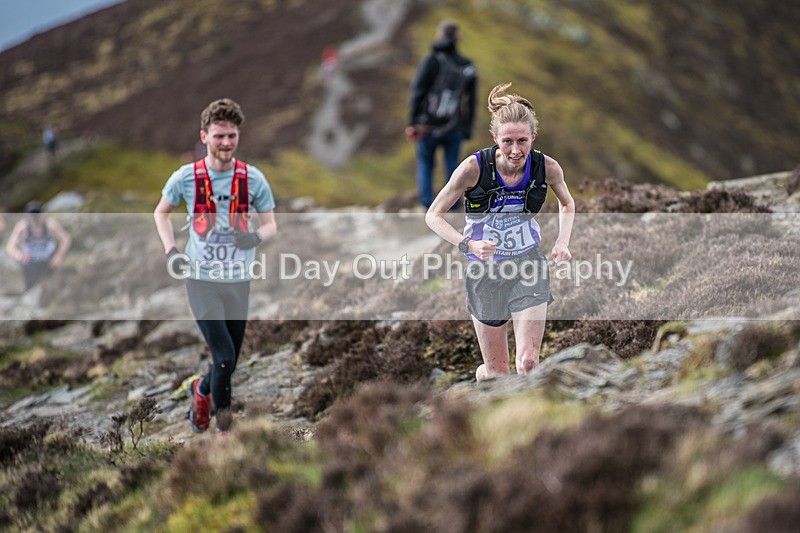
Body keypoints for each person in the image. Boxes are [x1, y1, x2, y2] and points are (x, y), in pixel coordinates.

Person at [425, 83, 575, 381]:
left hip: (528, 265)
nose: (516, 150)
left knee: (529, 363)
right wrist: (467, 244)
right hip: (484, 272)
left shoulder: (547, 167)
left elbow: (567, 203)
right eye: (507, 141)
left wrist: (562, 241)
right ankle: (484, 379)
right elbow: (433, 215)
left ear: (534, 136)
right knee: (497, 374)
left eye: (523, 140)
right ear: (495, 138)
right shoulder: (472, 169)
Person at [154, 98, 277, 434]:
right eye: (219, 135)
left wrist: (254, 239)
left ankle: (203, 390)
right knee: (223, 356)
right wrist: (171, 252)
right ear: (204, 136)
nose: (226, 143)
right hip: (201, 279)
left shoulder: (253, 179)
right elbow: (160, 213)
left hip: (238, 280)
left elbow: (271, 225)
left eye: (232, 136)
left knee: (230, 361)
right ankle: (225, 431)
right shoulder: (186, 177)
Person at [406, 19, 477, 209]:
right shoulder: (468, 66)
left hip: (426, 126)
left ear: (439, 36)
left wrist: (413, 122)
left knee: (426, 165)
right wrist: (467, 128)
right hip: (454, 127)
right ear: (458, 39)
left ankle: (427, 205)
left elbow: (418, 91)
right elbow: (471, 101)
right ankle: (452, 206)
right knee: (453, 167)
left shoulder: (431, 60)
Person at [5, 202, 71, 291]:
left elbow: (66, 239)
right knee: (31, 287)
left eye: (37, 216)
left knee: (52, 287)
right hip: (31, 263)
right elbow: (10, 246)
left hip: (48, 262)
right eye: (32, 217)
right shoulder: (22, 227)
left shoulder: (50, 225)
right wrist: (20, 255)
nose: (35, 219)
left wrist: (58, 256)